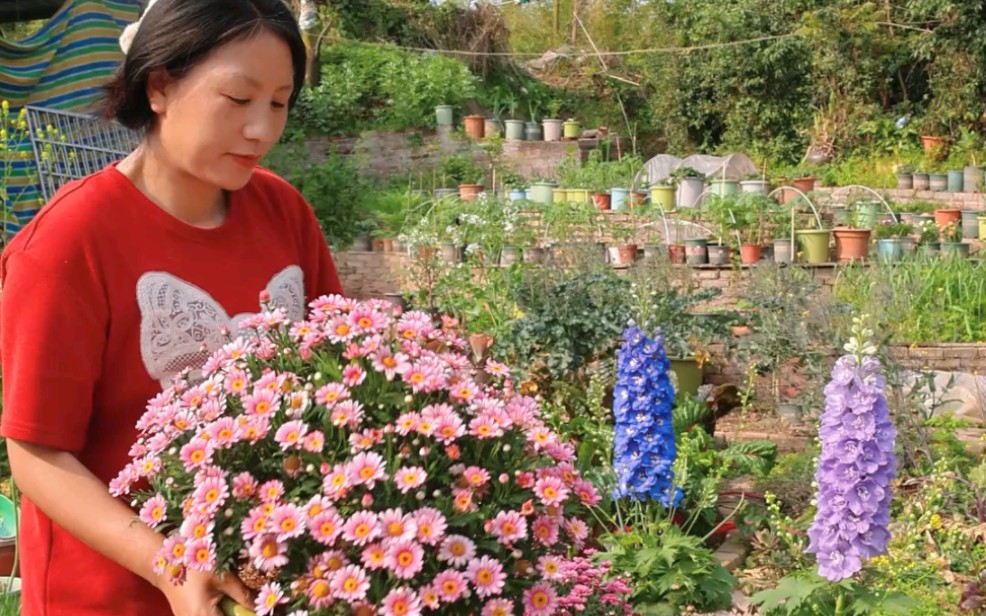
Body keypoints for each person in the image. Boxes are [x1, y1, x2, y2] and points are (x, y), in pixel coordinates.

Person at [0, 0, 344, 614]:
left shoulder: (284, 212)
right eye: (238, 100)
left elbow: (337, 374)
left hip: (264, 586)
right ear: (159, 86)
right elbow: (37, 453)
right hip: (108, 596)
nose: (262, 129)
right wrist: (170, 564)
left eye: (280, 102)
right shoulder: (67, 244)